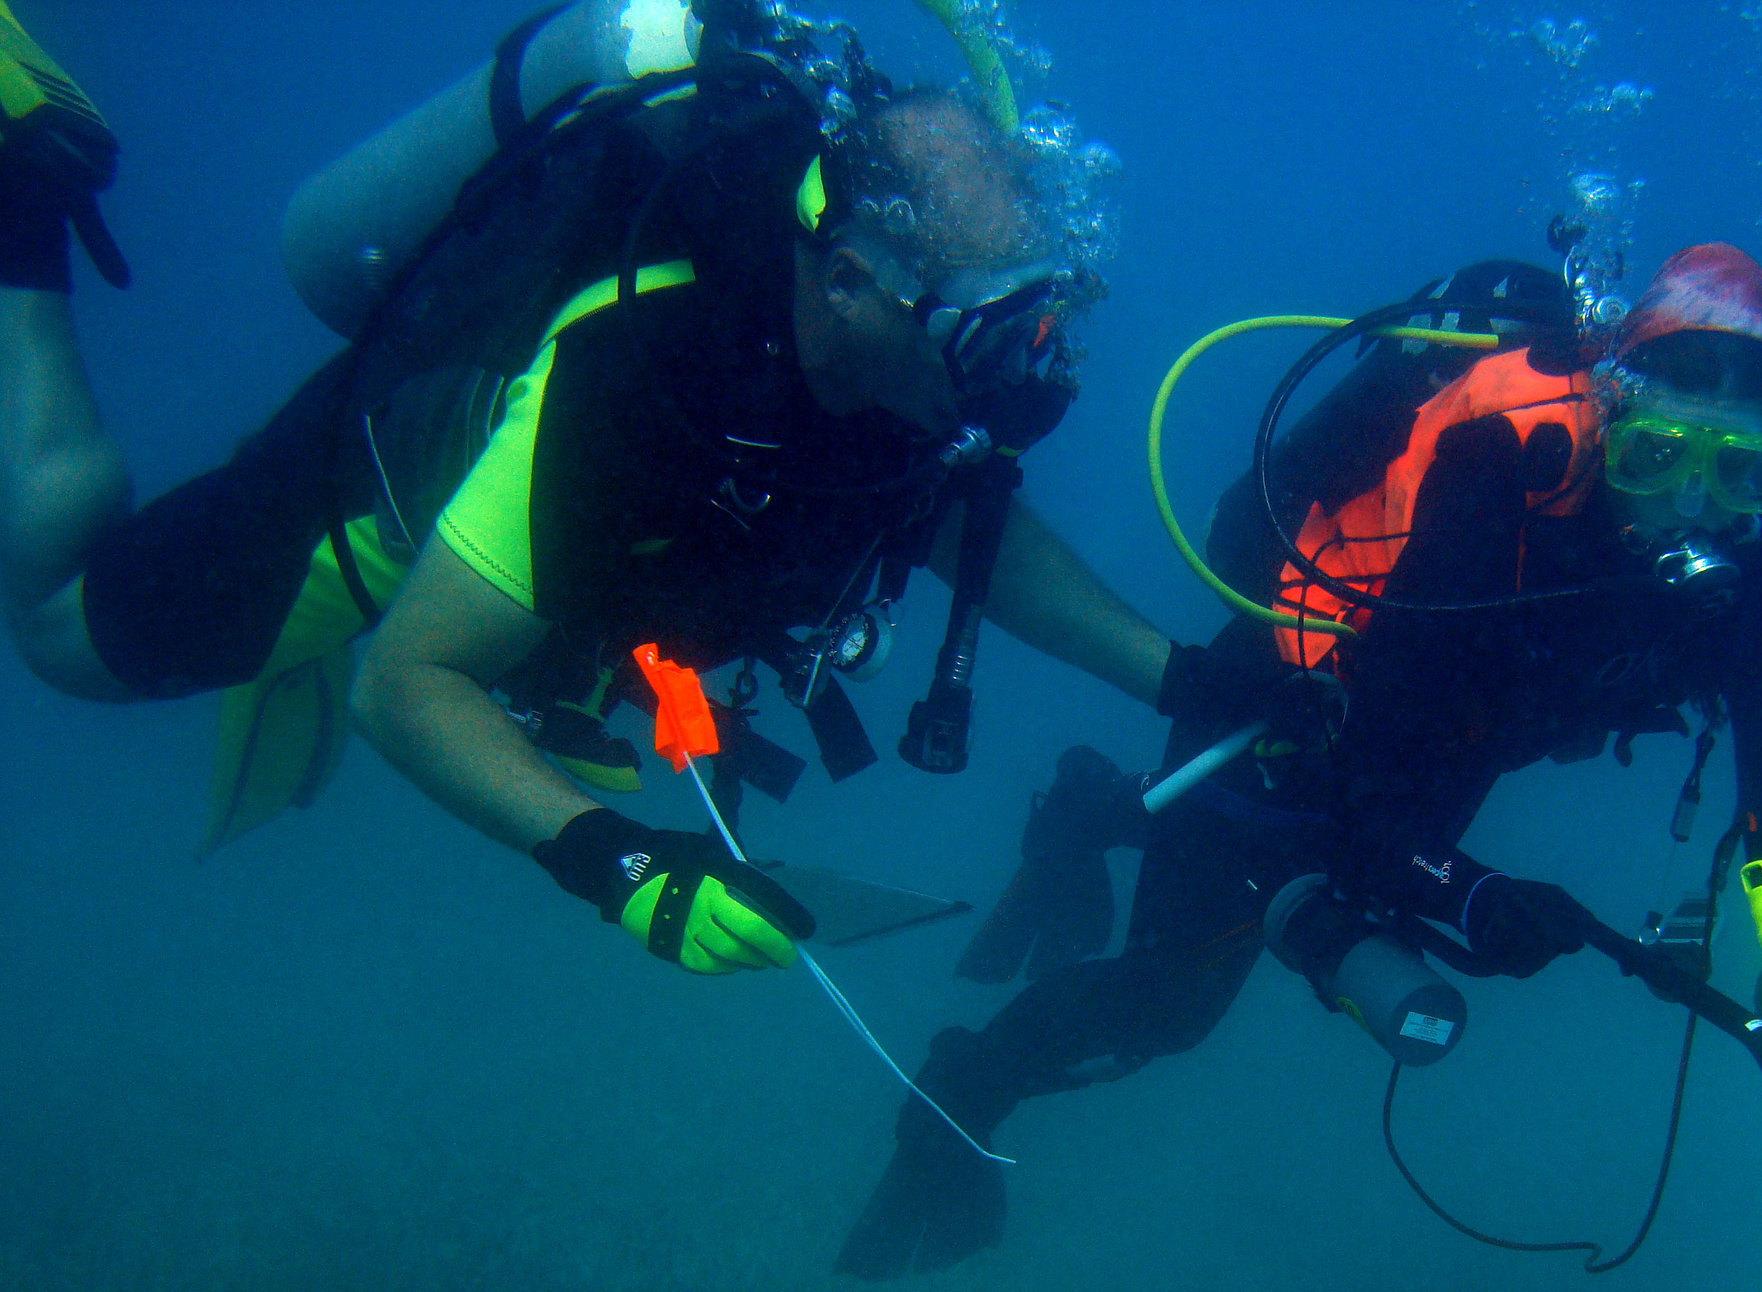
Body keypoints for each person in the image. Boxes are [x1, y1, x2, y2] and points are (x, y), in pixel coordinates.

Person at [0, 2, 1231, 975]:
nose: (1022, 389)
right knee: (63, 628)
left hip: (600, 579)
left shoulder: (902, 380)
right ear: (849, 278)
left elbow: (965, 531)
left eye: (1042, 335)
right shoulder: (638, 371)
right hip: (429, 496)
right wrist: (620, 868)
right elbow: (410, 683)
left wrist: (1182, 675)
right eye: (991, 338)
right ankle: (24, 186)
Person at [841, 249, 1762, 1276]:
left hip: (1451, 740)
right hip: (1299, 709)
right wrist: (1473, 892)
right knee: (1168, 1006)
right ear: (1612, 415)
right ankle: (957, 1095)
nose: (1694, 509)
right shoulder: (1505, 460)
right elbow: (1369, 799)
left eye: (1741, 472)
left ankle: (1091, 804)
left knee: (1313, 876)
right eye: (1659, 456)